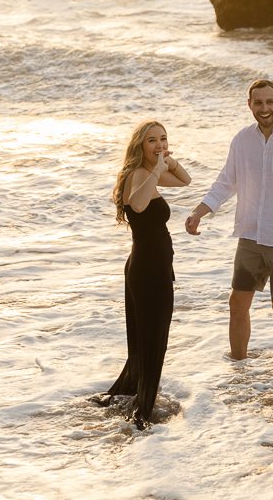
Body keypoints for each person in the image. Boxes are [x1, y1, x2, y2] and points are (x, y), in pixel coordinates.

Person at [185, 79, 273, 364]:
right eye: (258, 103)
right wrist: (198, 212)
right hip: (250, 238)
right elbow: (225, 183)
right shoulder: (242, 140)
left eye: (270, 102)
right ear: (250, 105)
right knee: (237, 304)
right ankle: (238, 370)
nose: (264, 108)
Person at [93, 120, 191, 429]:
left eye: (163, 139)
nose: (159, 144)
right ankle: (143, 413)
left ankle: (135, 397)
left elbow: (186, 180)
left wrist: (166, 162)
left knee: (146, 339)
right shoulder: (136, 175)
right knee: (152, 339)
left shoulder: (151, 173)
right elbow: (136, 203)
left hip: (152, 266)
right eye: (152, 141)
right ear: (139, 146)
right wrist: (156, 170)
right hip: (148, 270)